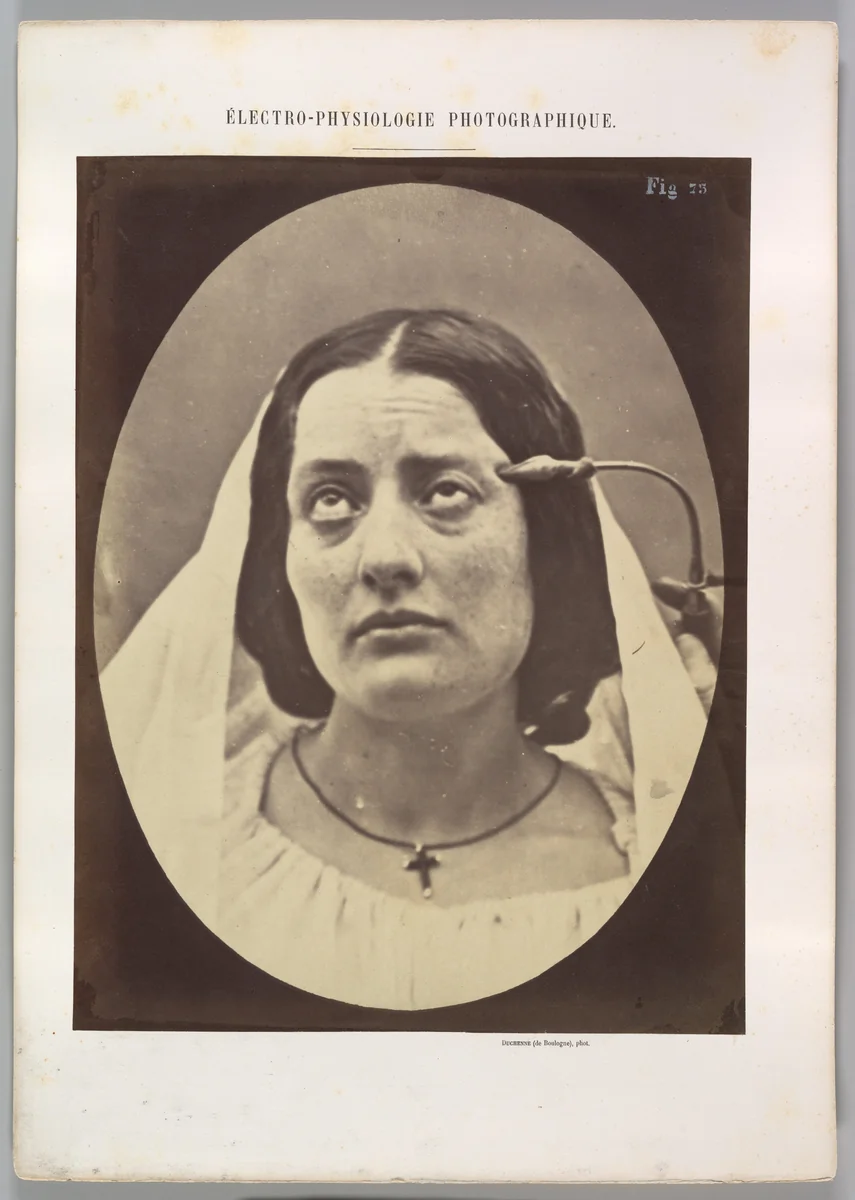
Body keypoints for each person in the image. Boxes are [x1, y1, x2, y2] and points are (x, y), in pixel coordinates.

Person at [100, 308, 712, 1010]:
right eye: (331, 499)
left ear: (542, 541)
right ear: (279, 555)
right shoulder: (173, 836)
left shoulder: (661, 861)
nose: (385, 556)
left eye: (445, 492)